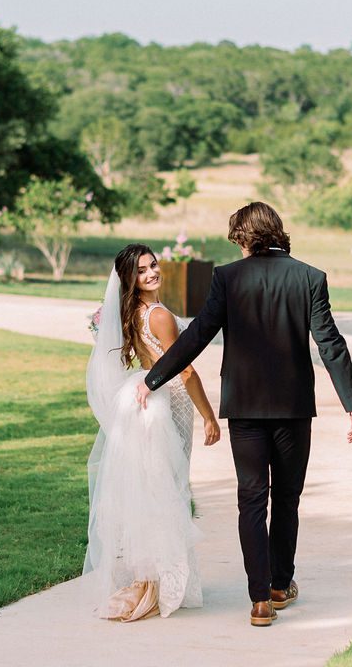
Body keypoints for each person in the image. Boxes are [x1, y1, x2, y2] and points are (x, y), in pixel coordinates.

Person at [136, 202, 352, 627]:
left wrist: (152, 378)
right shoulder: (310, 277)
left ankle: (259, 601)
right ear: (277, 232)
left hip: (243, 407)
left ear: (244, 237)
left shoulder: (227, 277)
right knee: (287, 499)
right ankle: (281, 585)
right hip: (293, 408)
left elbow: (200, 332)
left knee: (251, 499)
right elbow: (329, 342)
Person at [83, 243, 221, 622]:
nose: (151, 273)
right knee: (171, 488)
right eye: (142, 271)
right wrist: (208, 415)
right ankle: (162, 582)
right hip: (170, 402)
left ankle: (153, 578)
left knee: (153, 488)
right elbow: (185, 370)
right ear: (132, 280)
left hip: (143, 395)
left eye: (153, 265)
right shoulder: (159, 315)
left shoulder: (131, 313)